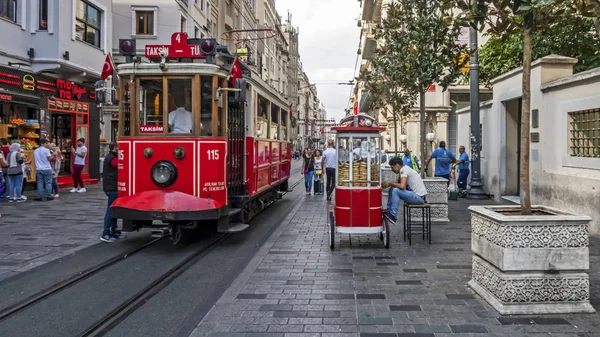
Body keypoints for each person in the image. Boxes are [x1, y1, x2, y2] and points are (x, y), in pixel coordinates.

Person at [382, 156, 427, 224]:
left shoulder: (403, 170)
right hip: (415, 196)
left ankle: (393, 215)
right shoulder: (405, 169)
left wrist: (390, 183)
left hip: (419, 197)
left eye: (392, 167)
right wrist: (389, 183)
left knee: (395, 191)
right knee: (392, 188)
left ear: (397, 165)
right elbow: (397, 184)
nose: (392, 170)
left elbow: (402, 186)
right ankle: (389, 210)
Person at [102, 143, 126, 242]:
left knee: (114, 210)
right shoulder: (112, 158)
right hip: (112, 187)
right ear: (115, 148)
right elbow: (119, 165)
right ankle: (105, 233)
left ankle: (114, 230)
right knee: (110, 210)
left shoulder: (111, 156)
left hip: (111, 187)